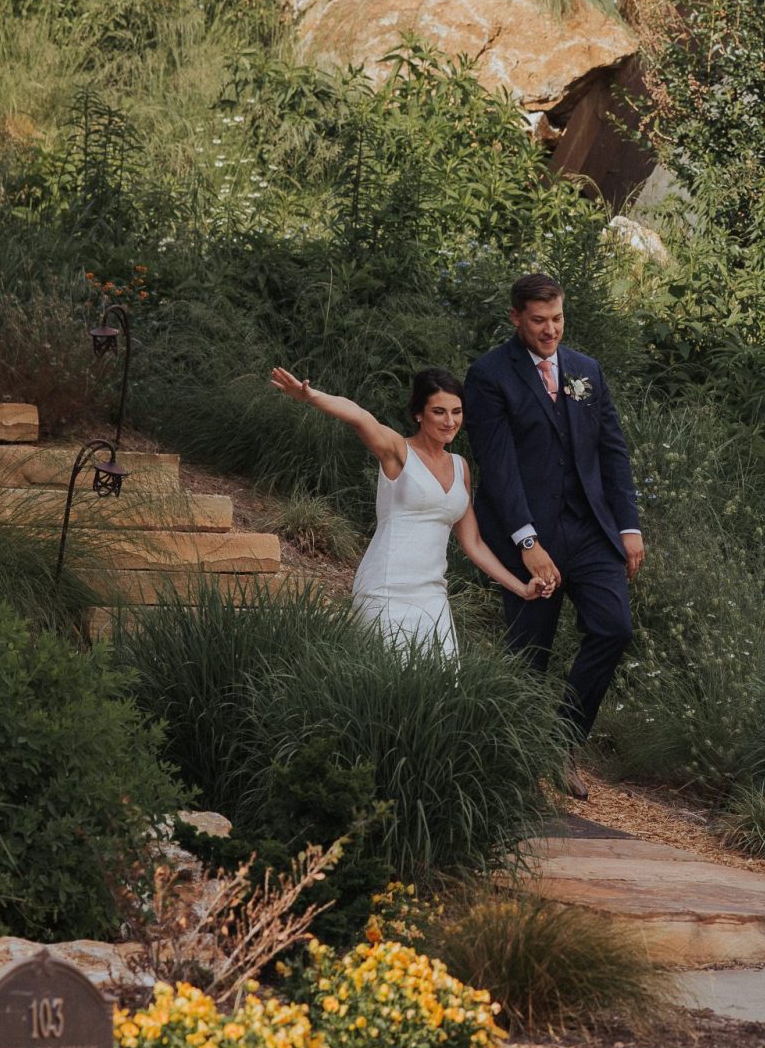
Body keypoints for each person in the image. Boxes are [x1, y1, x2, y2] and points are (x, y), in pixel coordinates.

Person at [465, 274, 644, 799]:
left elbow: (612, 450)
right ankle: (515, 769)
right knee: (529, 652)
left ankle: (561, 741)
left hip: (591, 529)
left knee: (614, 629)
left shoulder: (586, 370)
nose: (551, 330)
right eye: (539, 320)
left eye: (558, 318)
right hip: (529, 532)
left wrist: (628, 527)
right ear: (516, 317)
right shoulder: (489, 376)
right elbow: (498, 469)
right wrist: (527, 541)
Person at [268, 364, 549, 652]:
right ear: (419, 413)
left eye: (457, 411)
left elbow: (474, 543)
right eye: (439, 411)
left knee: (440, 691)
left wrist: (521, 588)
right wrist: (310, 395)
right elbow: (360, 417)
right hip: (386, 589)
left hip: (433, 594)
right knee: (386, 688)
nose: (450, 421)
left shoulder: (459, 466)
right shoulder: (398, 451)